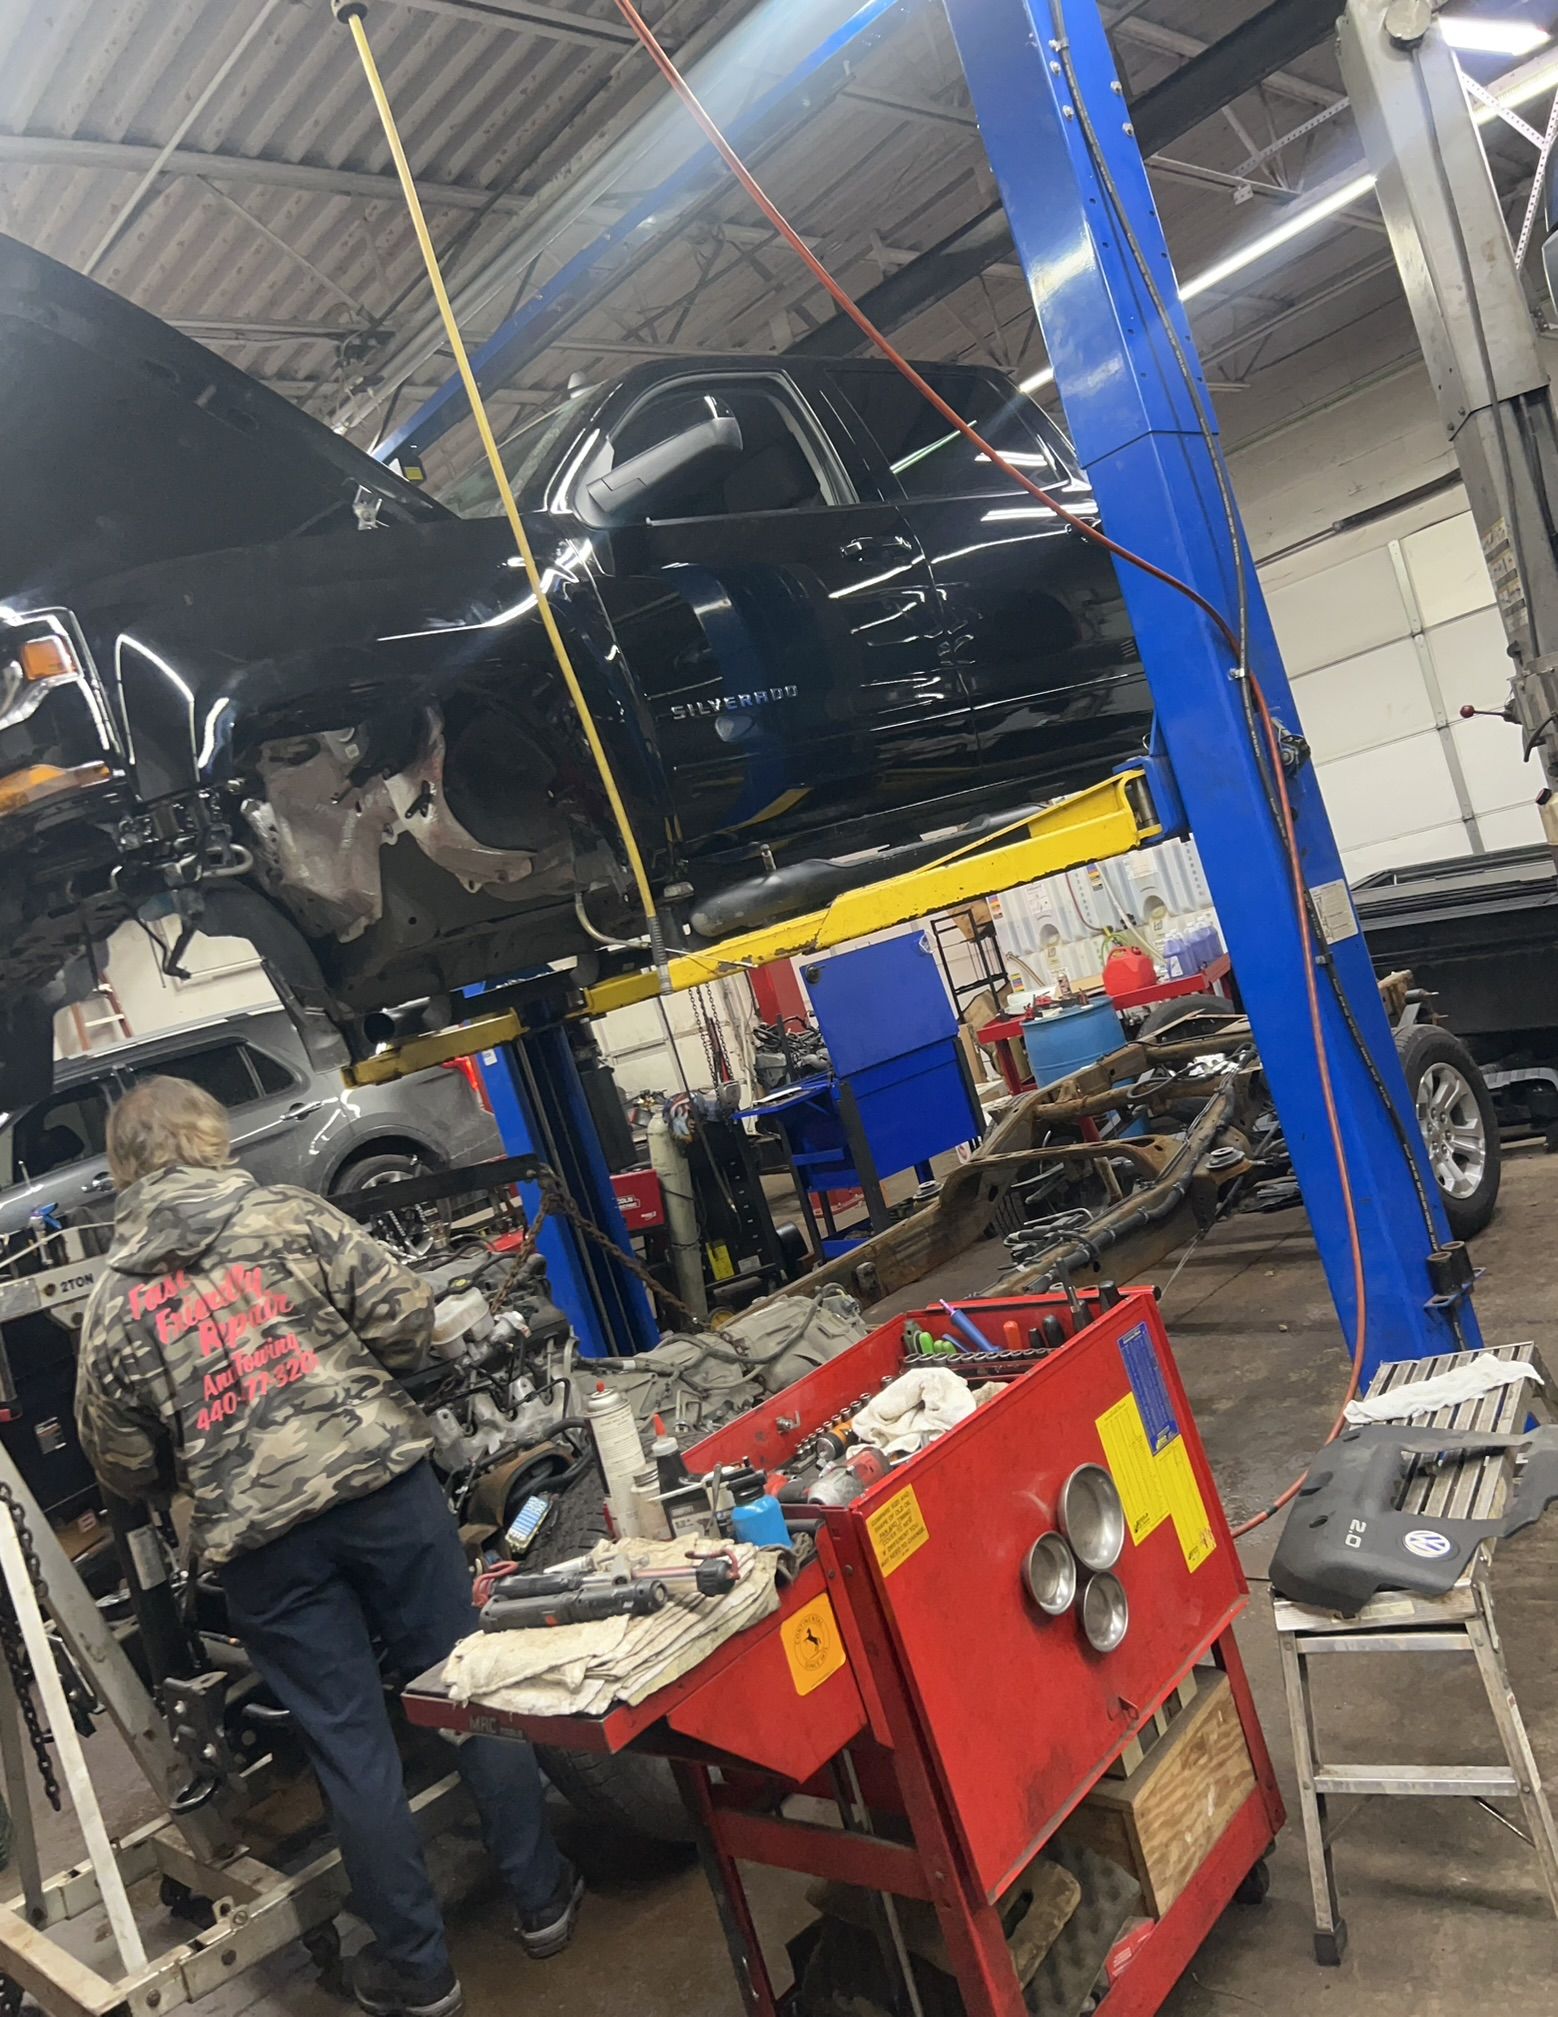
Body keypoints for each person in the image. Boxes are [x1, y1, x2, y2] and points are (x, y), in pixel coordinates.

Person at [75, 1076, 580, 2017]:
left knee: (351, 1748)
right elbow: (404, 1321)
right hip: (384, 1489)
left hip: (263, 1546)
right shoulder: (289, 1217)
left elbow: (121, 1459)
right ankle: (543, 1901)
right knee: (460, 1688)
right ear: (209, 1135)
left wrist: (200, 1464)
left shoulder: (111, 1302)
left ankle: (421, 1976)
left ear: (123, 1171)